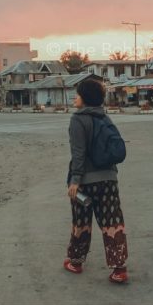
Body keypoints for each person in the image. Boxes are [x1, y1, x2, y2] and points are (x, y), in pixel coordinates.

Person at [64, 79, 129, 284]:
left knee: (81, 222)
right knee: (112, 222)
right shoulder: (104, 117)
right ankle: (119, 269)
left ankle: (76, 262)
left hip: (84, 183)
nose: (76, 98)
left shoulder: (78, 120)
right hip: (109, 180)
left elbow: (79, 154)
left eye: (78, 94)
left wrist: (75, 181)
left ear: (85, 98)